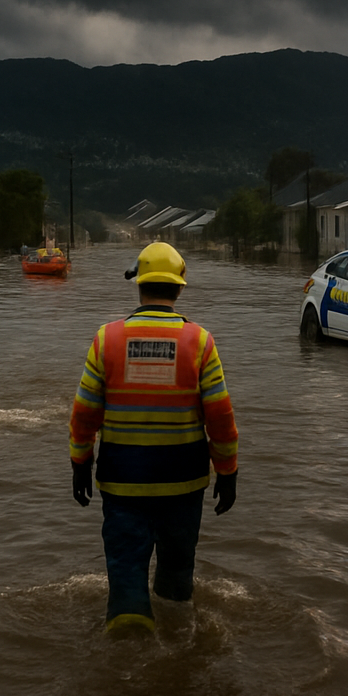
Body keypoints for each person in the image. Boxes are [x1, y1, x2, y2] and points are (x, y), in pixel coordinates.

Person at [68, 242, 239, 634]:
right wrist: (227, 472)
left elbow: (84, 413)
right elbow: (220, 416)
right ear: (179, 289)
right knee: (178, 573)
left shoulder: (106, 339)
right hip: (184, 481)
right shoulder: (200, 342)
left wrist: (80, 462)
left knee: (126, 569)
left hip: (123, 480)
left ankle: (128, 645)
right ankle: (179, 641)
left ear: (139, 286)